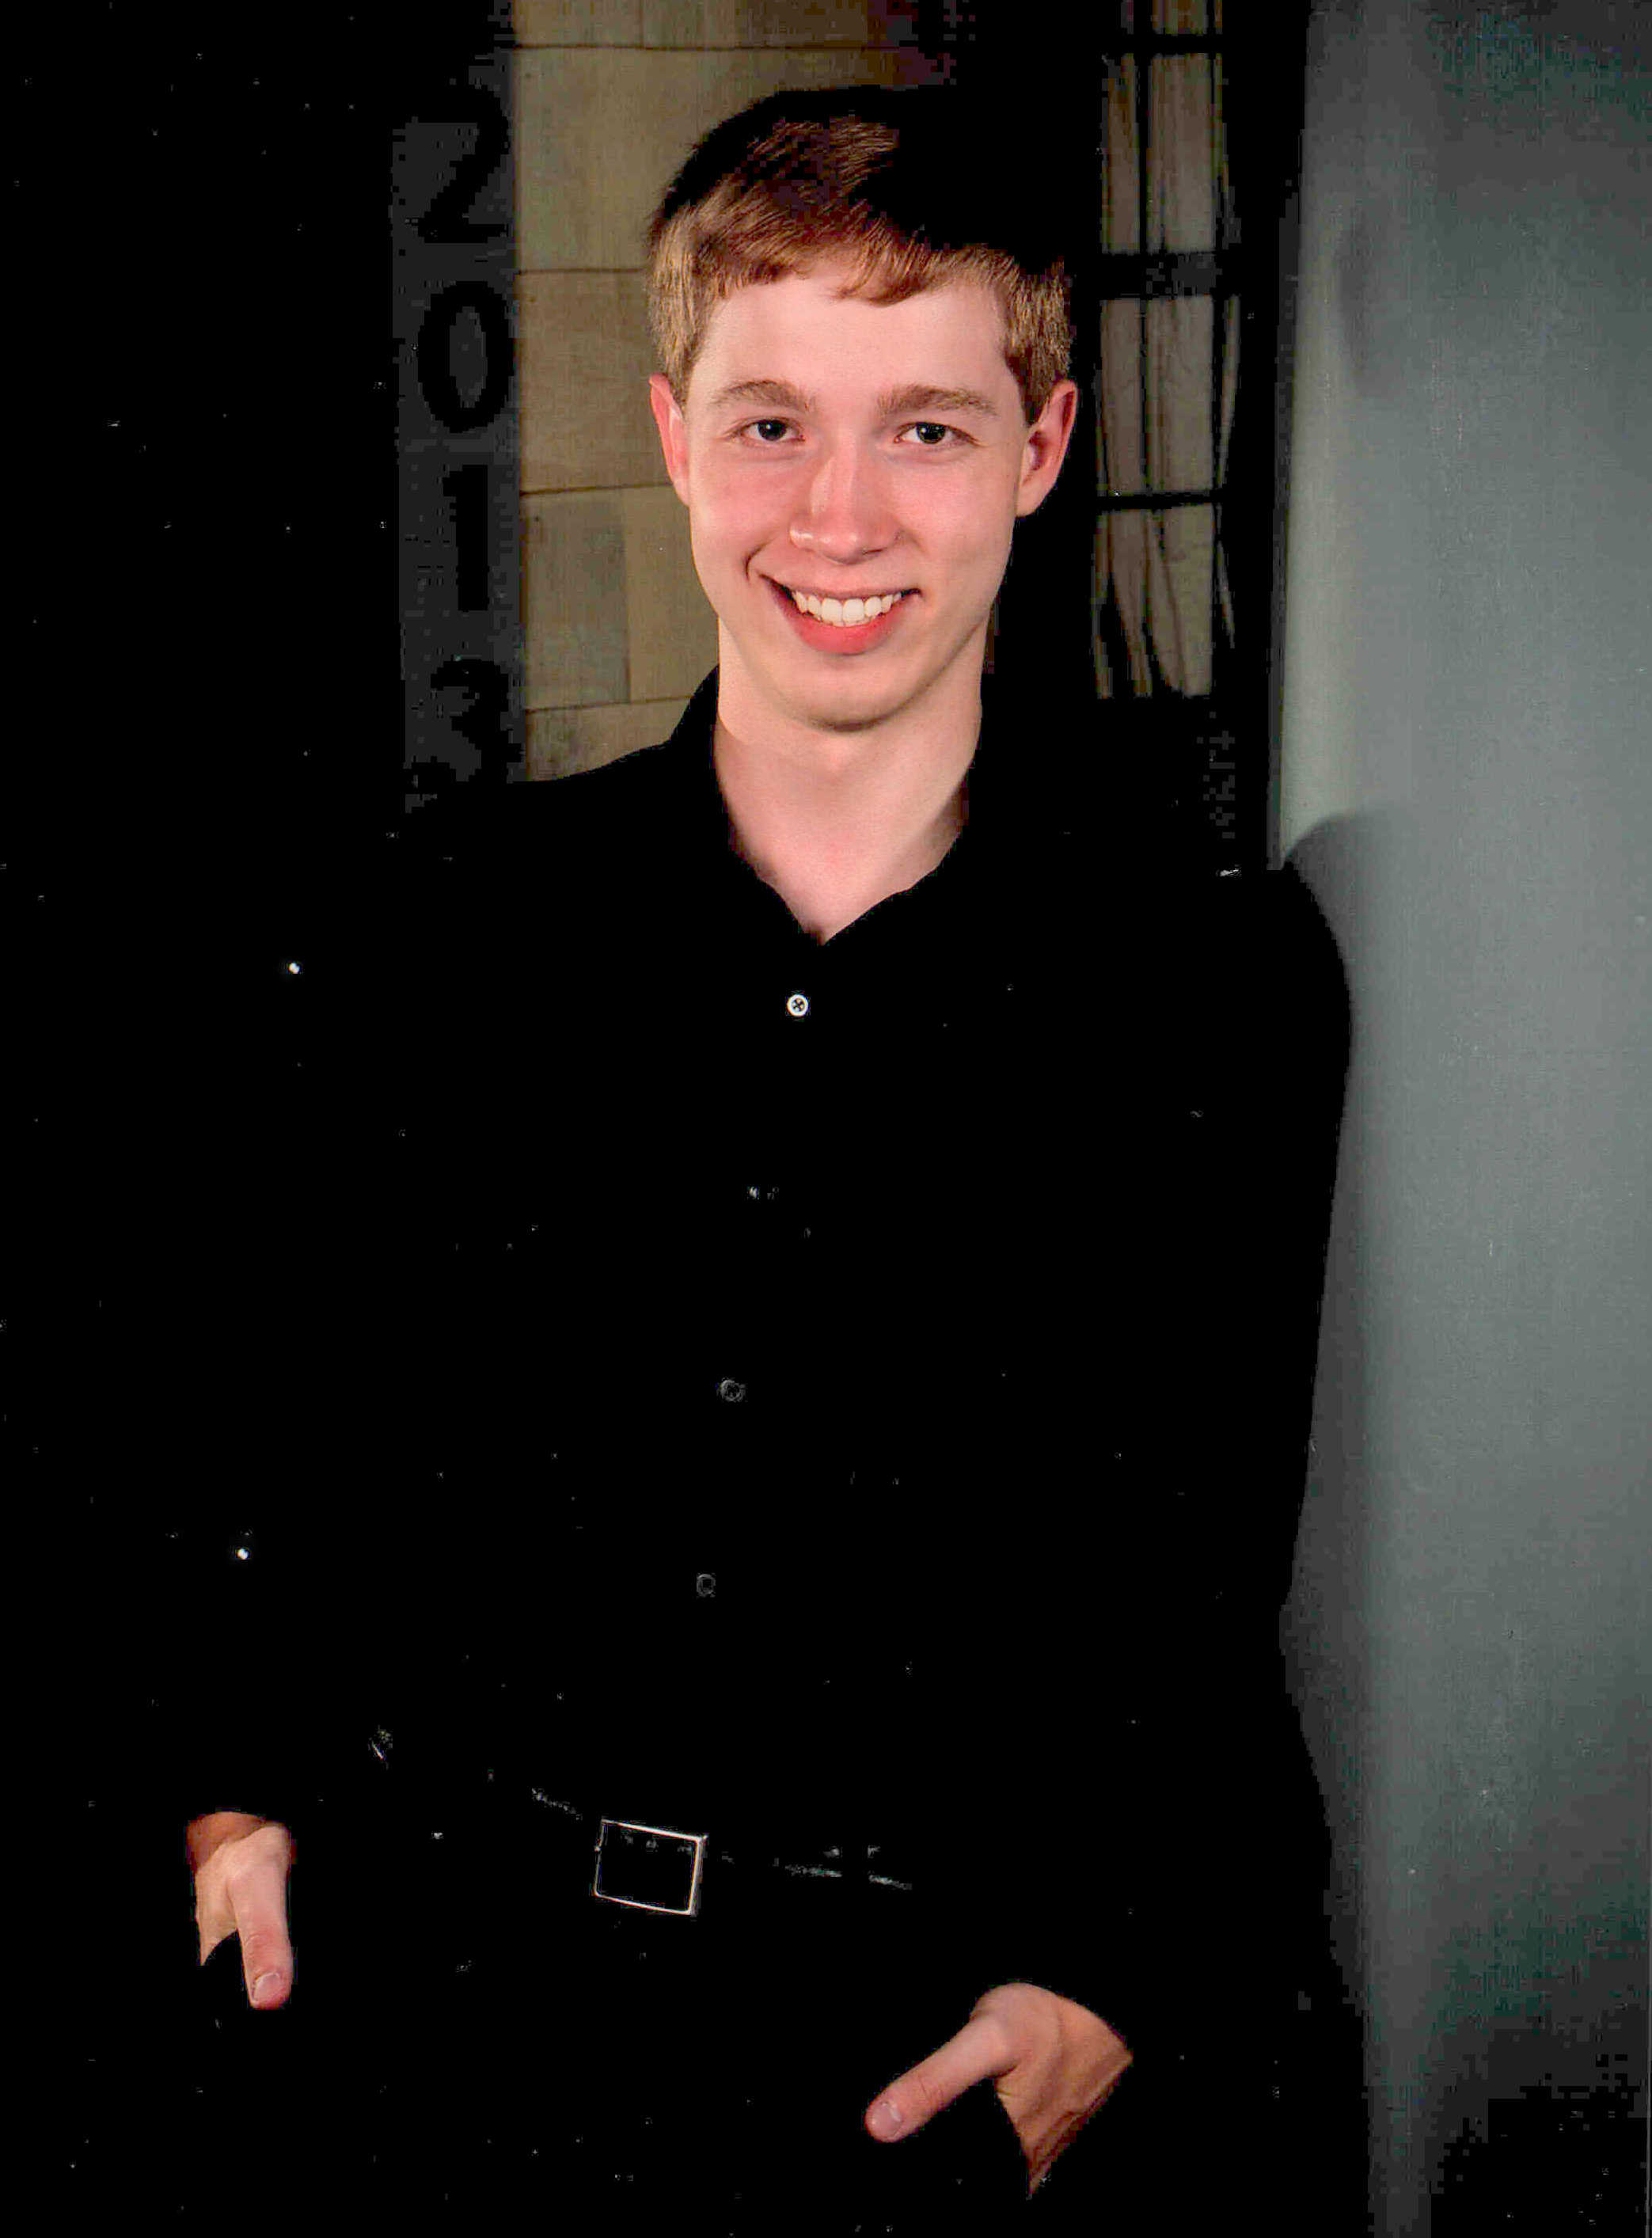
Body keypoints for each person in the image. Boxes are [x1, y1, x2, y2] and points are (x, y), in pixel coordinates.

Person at [169, 85, 1362, 2229]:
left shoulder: (1212, 982)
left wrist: (1105, 1977)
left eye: (927, 426)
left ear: (1045, 448)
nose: (840, 513)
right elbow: (281, 1417)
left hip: (916, 2070)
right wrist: (232, 1787)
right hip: (450, 2024)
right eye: (771, 422)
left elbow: (1197, 1565)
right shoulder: (442, 924)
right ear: (672, 435)